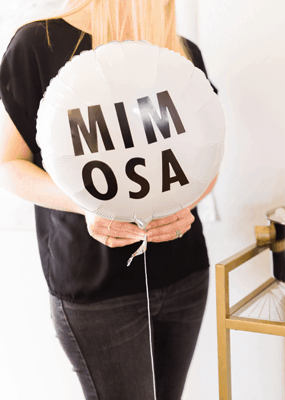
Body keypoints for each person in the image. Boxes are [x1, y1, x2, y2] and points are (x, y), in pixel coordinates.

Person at [0, 0, 217, 398]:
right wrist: (86, 205)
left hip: (185, 274)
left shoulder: (181, 51)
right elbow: (8, 164)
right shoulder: (39, 43)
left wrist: (187, 205)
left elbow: (206, 160)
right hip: (96, 288)